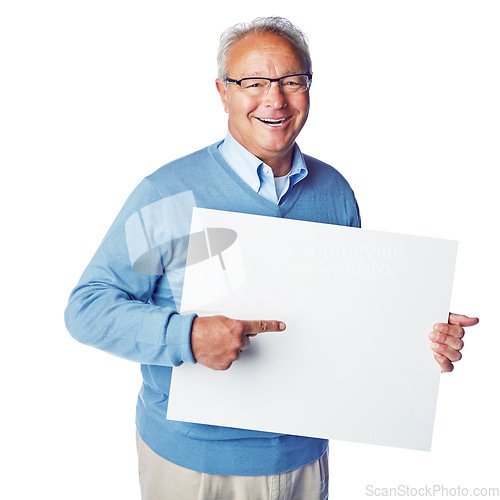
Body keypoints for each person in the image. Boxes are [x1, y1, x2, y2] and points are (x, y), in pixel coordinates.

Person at [64, 16, 479, 500]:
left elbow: (348, 319)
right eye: (253, 82)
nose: (274, 99)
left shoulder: (335, 193)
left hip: (304, 457)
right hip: (195, 465)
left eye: (290, 81)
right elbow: (86, 309)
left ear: (309, 88)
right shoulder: (167, 194)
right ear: (222, 92)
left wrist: (416, 333)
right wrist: (189, 336)